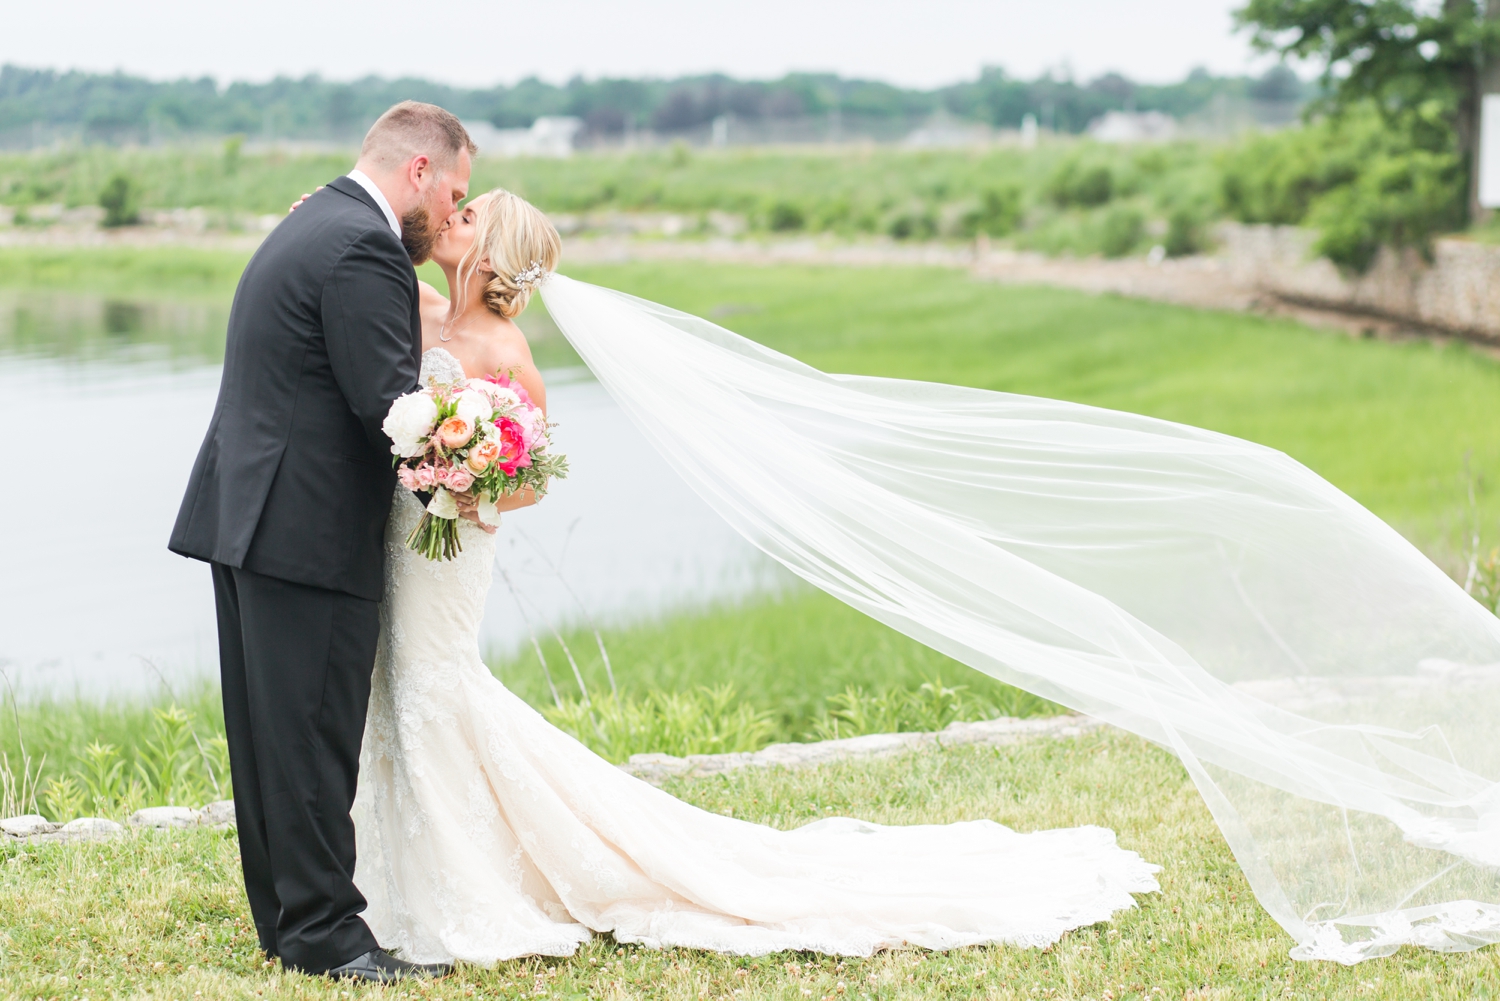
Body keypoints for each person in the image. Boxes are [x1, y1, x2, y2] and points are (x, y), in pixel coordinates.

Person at [348, 187, 1160, 967]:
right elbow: (368, 262)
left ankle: (466, 884)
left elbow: (532, 475)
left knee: (435, 683)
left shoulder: (503, 350)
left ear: (491, 251)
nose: (451, 217)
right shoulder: (425, 309)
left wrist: (466, 482)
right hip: (400, 535)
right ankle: (411, 867)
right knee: (405, 683)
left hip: (452, 543)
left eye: (469, 213)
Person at [169, 100, 476, 982]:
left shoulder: (314, 223)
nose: (454, 214)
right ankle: (327, 935)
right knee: (310, 735)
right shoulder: (363, 246)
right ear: (418, 170)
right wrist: (474, 449)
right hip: (304, 526)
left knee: (272, 735)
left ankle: (287, 920)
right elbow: (389, 403)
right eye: (454, 192)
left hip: (252, 513)